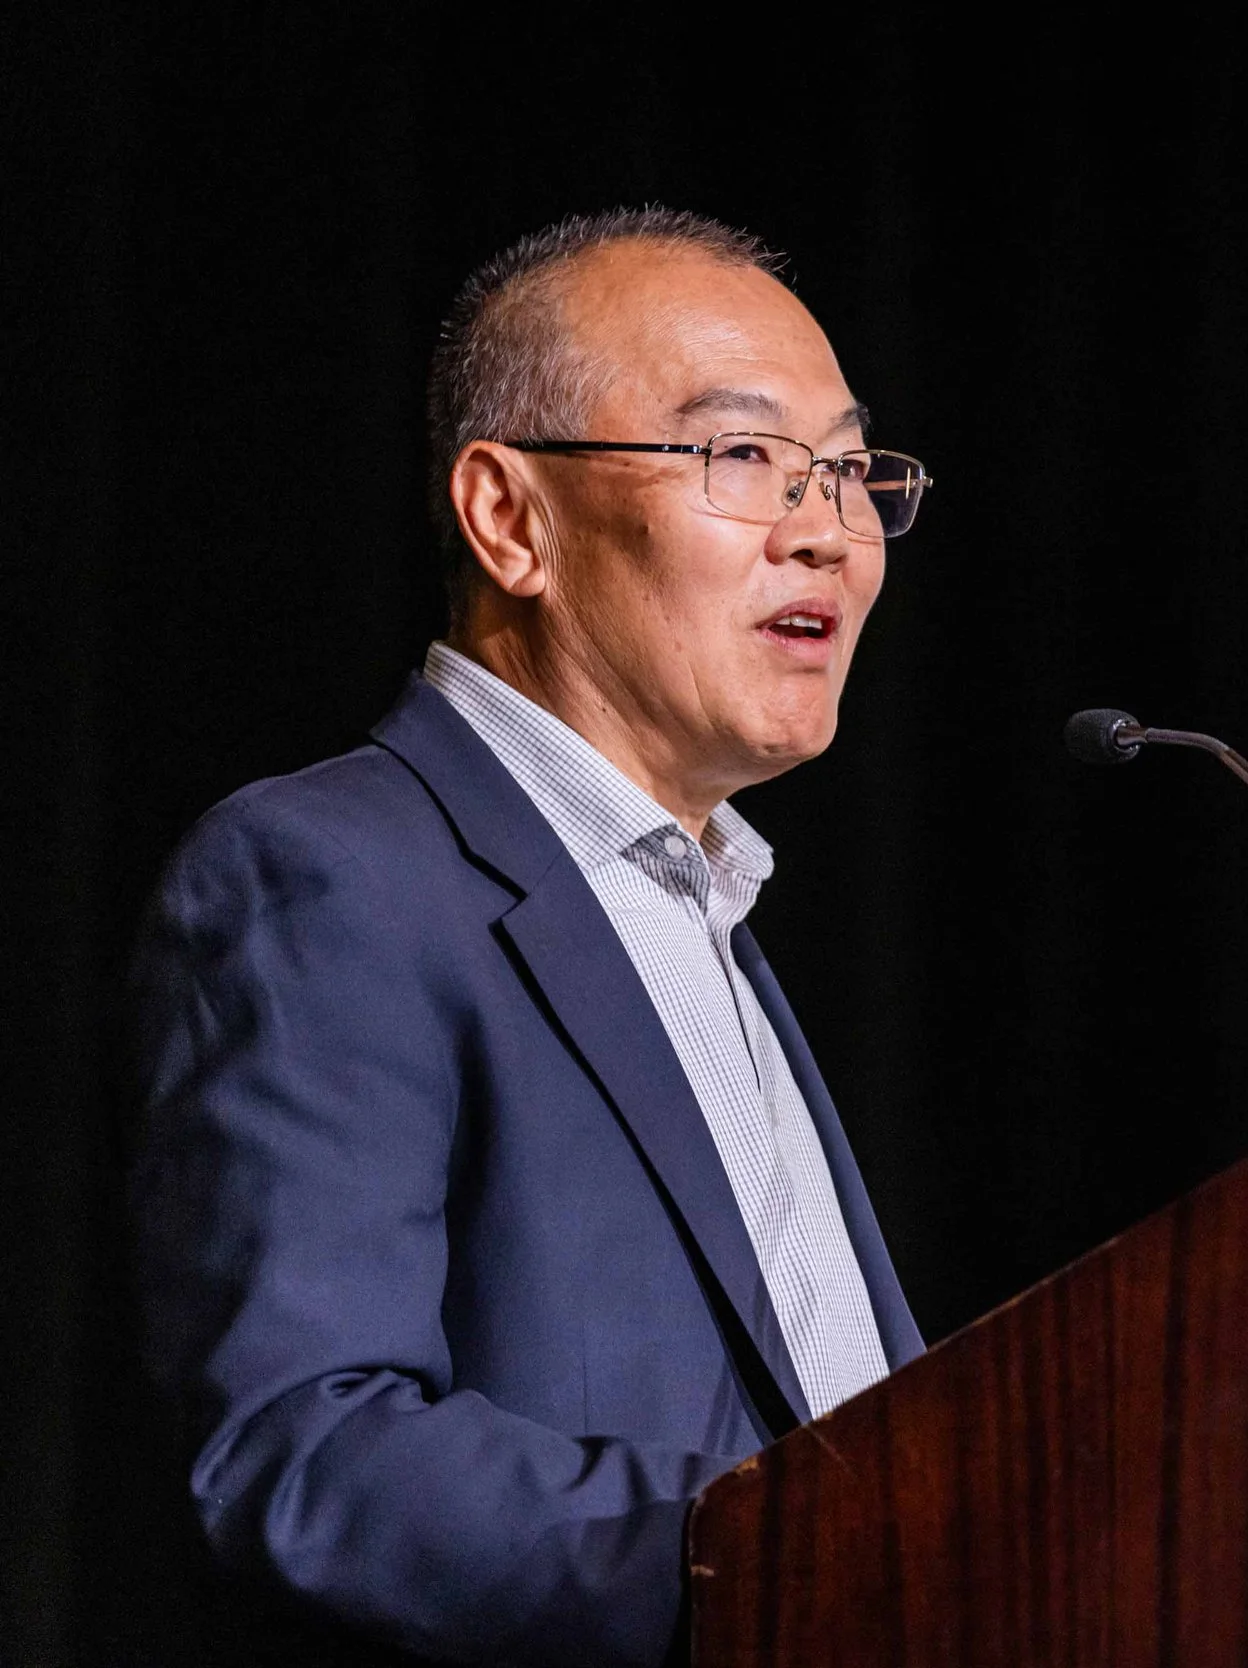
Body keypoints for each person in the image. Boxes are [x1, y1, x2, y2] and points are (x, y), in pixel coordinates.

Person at [128, 207, 932, 1666]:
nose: (824, 525)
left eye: (848, 468)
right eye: (742, 456)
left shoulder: (707, 910)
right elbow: (309, 1454)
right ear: (512, 519)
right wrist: (812, 1557)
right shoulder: (330, 876)